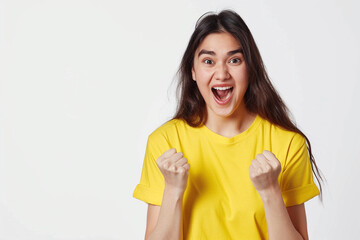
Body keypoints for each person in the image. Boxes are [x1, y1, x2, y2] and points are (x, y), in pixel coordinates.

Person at [133, 9, 323, 240]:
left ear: (250, 69)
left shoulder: (288, 144)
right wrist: (173, 191)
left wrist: (271, 192)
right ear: (193, 71)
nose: (221, 73)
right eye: (208, 61)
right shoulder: (165, 142)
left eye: (234, 60)